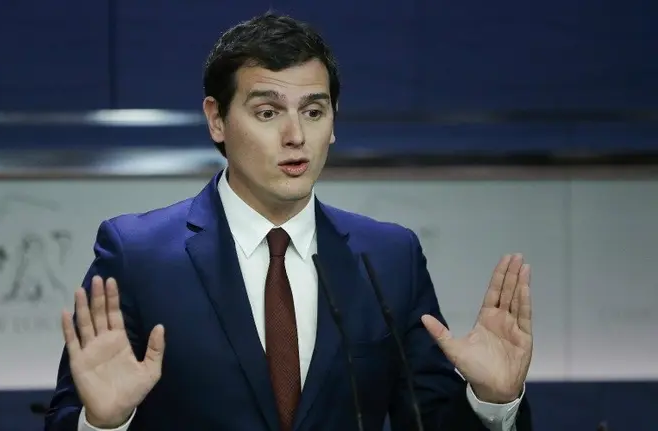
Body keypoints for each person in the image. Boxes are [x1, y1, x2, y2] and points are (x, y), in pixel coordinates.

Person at [44, 12, 533, 431]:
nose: (295, 135)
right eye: (267, 111)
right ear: (217, 119)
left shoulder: (387, 259)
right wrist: (104, 423)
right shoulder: (138, 254)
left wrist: (492, 402)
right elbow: (69, 414)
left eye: (314, 111)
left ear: (334, 121)